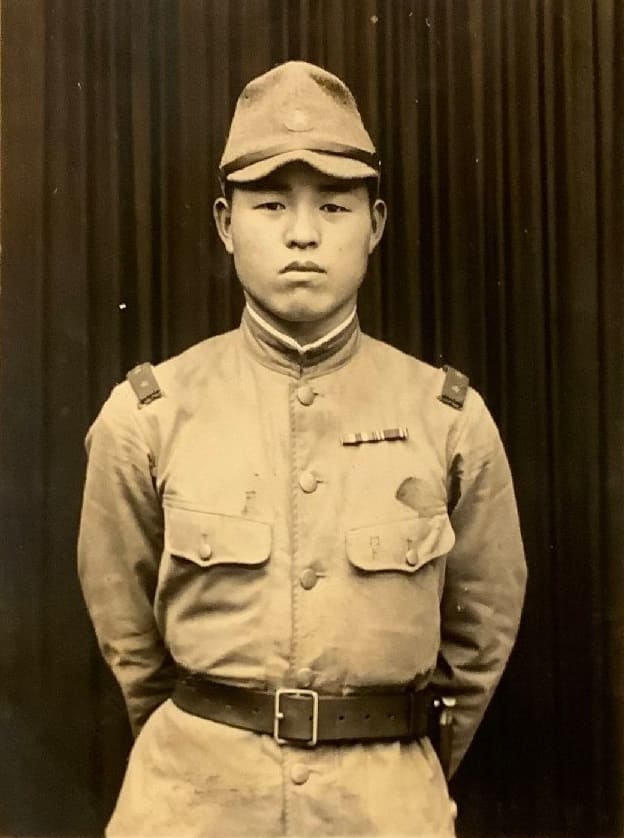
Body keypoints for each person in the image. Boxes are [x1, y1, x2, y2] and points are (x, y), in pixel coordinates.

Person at [78, 60, 527, 836]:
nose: (302, 233)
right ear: (226, 224)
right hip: (190, 806)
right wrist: (204, 748)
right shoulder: (147, 416)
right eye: (271, 203)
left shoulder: (448, 418)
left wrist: (398, 771)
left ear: (375, 225)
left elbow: (481, 634)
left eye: (334, 205)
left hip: (384, 809)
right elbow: (130, 642)